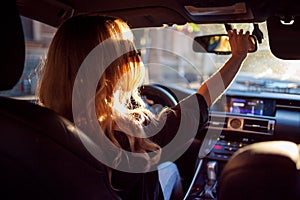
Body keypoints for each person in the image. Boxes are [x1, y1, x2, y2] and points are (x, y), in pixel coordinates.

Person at [38, 14, 249, 200]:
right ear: (115, 69)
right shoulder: (130, 136)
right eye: (129, 51)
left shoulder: (36, 127)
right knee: (172, 171)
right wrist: (237, 57)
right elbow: (199, 103)